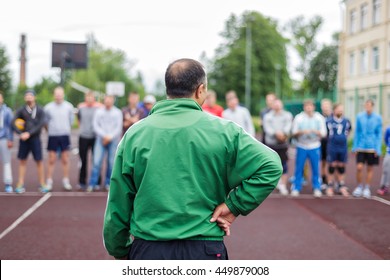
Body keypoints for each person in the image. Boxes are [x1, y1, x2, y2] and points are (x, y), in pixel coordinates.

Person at [103, 58, 282, 260]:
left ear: (168, 89)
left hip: (149, 249)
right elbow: (271, 165)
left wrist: (119, 249)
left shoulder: (135, 134)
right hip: (204, 248)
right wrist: (234, 206)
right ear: (200, 89)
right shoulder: (225, 131)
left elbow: (118, 202)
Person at [12, 89, 48, 193]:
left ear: (34, 97)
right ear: (24, 98)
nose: (29, 97)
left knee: (39, 161)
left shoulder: (40, 110)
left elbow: (41, 124)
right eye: (27, 96)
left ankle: (42, 183)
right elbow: (13, 123)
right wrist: (20, 133)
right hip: (24, 139)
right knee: (22, 161)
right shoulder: (21, 110)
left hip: (35, 139)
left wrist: (29, 133)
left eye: (30, 96)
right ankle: (20, 184)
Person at [291, 99, 327, 197]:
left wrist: (316, 132)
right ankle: (296, 187)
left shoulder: (319, 118)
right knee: (299, 168)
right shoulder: (299, 118)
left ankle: (317, 187)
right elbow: (293, 132)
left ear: (313, 107)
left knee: (316, 168)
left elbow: (324, 133)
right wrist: (302, 132)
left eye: (310, 106)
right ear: (304, 107)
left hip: (314, 146)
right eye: (307, 106)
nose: (308, 108)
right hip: (301, 145)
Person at [87, 94, 122, 192]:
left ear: (113, 100)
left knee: (111, 163)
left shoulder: (117, 112)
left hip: (113, 140)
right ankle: (92, 184)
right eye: (106, 99)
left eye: (110, 99)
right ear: (104, 100)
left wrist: (109, 137)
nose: (108, 101)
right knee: (96, 162)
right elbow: (95, 125)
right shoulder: (99, 112)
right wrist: (104, 136)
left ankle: (108, 184)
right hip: (100, 140)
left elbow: (118, 128)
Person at [44, 86, 75, 191]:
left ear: (63, 95)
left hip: (64, 135)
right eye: (56, 94)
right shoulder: (48, 108)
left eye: (60, 94)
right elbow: (45, 122)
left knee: (65, 159)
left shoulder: (69, 107)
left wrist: (65, 128)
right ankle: (49, 181)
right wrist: (51, 130)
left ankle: (66, 181)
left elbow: (71, 120)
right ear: (54, 95)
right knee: (51, 159)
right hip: (52, 136)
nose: (58, 96)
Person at [352, 99, 382, 198]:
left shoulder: (378, 118)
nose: (367, 107)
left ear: (372, 106)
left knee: (370, 168)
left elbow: (379, 134)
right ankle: (359, 187)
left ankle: (367, 188)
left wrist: (377, 148)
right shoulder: (360, 116)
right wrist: (355, 146)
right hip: (361, 146)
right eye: (366, 105)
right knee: (359, 167)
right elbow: (357, 132)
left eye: (369, 105)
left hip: (372, 147)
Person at [263, 98, 293, 195]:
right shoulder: (267, 116)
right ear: (272, 105)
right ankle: (272, 184)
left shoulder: (288, 115)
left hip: (283, 144)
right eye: (275, 104)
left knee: (284, 164)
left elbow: (288, 126)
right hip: (271, 144)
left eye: (278, 104)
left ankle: (283, 185)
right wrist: (277, 134)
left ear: (282, 105)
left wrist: (283, 133)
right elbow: (267, 129)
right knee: (271, 164)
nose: (277, 106)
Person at [76, 91, 103, 190]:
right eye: (88, 97)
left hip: (95, 137)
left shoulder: (98, 107)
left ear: (94, 98)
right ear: (85, 98)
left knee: (96, 161)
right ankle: (82, 182)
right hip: (83, 137)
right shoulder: (81, 108)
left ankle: (96, 182)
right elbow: (78, 119)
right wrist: (82, 129)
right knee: (83, 160)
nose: (90, 99)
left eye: (91, 97)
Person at [325, 103, 352, 197]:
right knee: (332, 166)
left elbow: (349, 131)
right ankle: (330, 186)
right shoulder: (328, 121)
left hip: (343, 147)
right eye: (338, 109)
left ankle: (341, 185)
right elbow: (326, 133)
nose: (340, 111)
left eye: (342, 109)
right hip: (332, 146)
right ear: (334, 110)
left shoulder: (347, 121)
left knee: (341, 166)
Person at [0, 91, 14, 193]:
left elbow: (11, 126)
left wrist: (10, 139)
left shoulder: (7, 111)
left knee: (6, 162)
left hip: (4, 139)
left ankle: (8, 183)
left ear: (2, 99)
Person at [320, 98, 333, 189]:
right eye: (324, 105)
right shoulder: (319, 117)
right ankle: (324, 180)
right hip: (322, 143)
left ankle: (332, 182)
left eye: (327, 105)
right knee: (323, 162)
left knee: (333, 163)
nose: (325, 107)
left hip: (332, 143)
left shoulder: (334, 117)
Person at [377, 125, 390, 195]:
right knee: (386, 169)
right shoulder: (388, 129)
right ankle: (384, 186)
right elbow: (386, 139)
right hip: (389, 153)